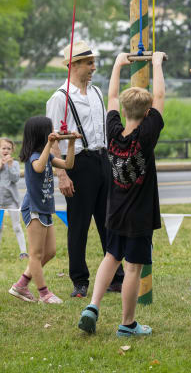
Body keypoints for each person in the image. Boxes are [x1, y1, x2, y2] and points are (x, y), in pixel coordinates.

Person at [78, 51, 166, 337]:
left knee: (110, 257)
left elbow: (112, 98)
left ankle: (93, 306)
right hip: (139, 217)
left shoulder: (113, 131)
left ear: (124, 112)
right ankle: (127, 324)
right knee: (132, 269)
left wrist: (117, 64)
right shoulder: (147, 136)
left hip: (114, 212)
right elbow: (161, 99)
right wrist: (155, 64)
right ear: (148, 113)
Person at [46, 40, 124, 298]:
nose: (93, 67)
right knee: (78, 225)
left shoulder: (97, 92)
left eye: (93, 62)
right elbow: (54, 139)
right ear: (74, 65)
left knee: (108, 222)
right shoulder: (60, 98)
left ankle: (116, 276)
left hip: (102, 159)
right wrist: (62, 174)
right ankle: (80, 281)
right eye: (89, 63)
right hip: (78, 164)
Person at [9, 116, 81, 304]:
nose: (54, 132)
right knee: (36, 254)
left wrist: (71, 144)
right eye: (50, 130)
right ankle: (44, 293)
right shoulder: (34, 156)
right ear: (42, 134)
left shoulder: (47, 155)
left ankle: (21, 285)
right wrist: (50, 145)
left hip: (45, 208)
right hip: (33, 208)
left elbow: (68, 165)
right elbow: (39, 168)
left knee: (50, 251)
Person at [0, 138, 28, 259]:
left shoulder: (15, 164)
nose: (6, 150)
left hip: (12, 201)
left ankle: (23, 252)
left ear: (12, 150)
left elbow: (15, 179)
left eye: (8, 148)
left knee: (17, 226)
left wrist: (10, 166)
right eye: (3, 148)